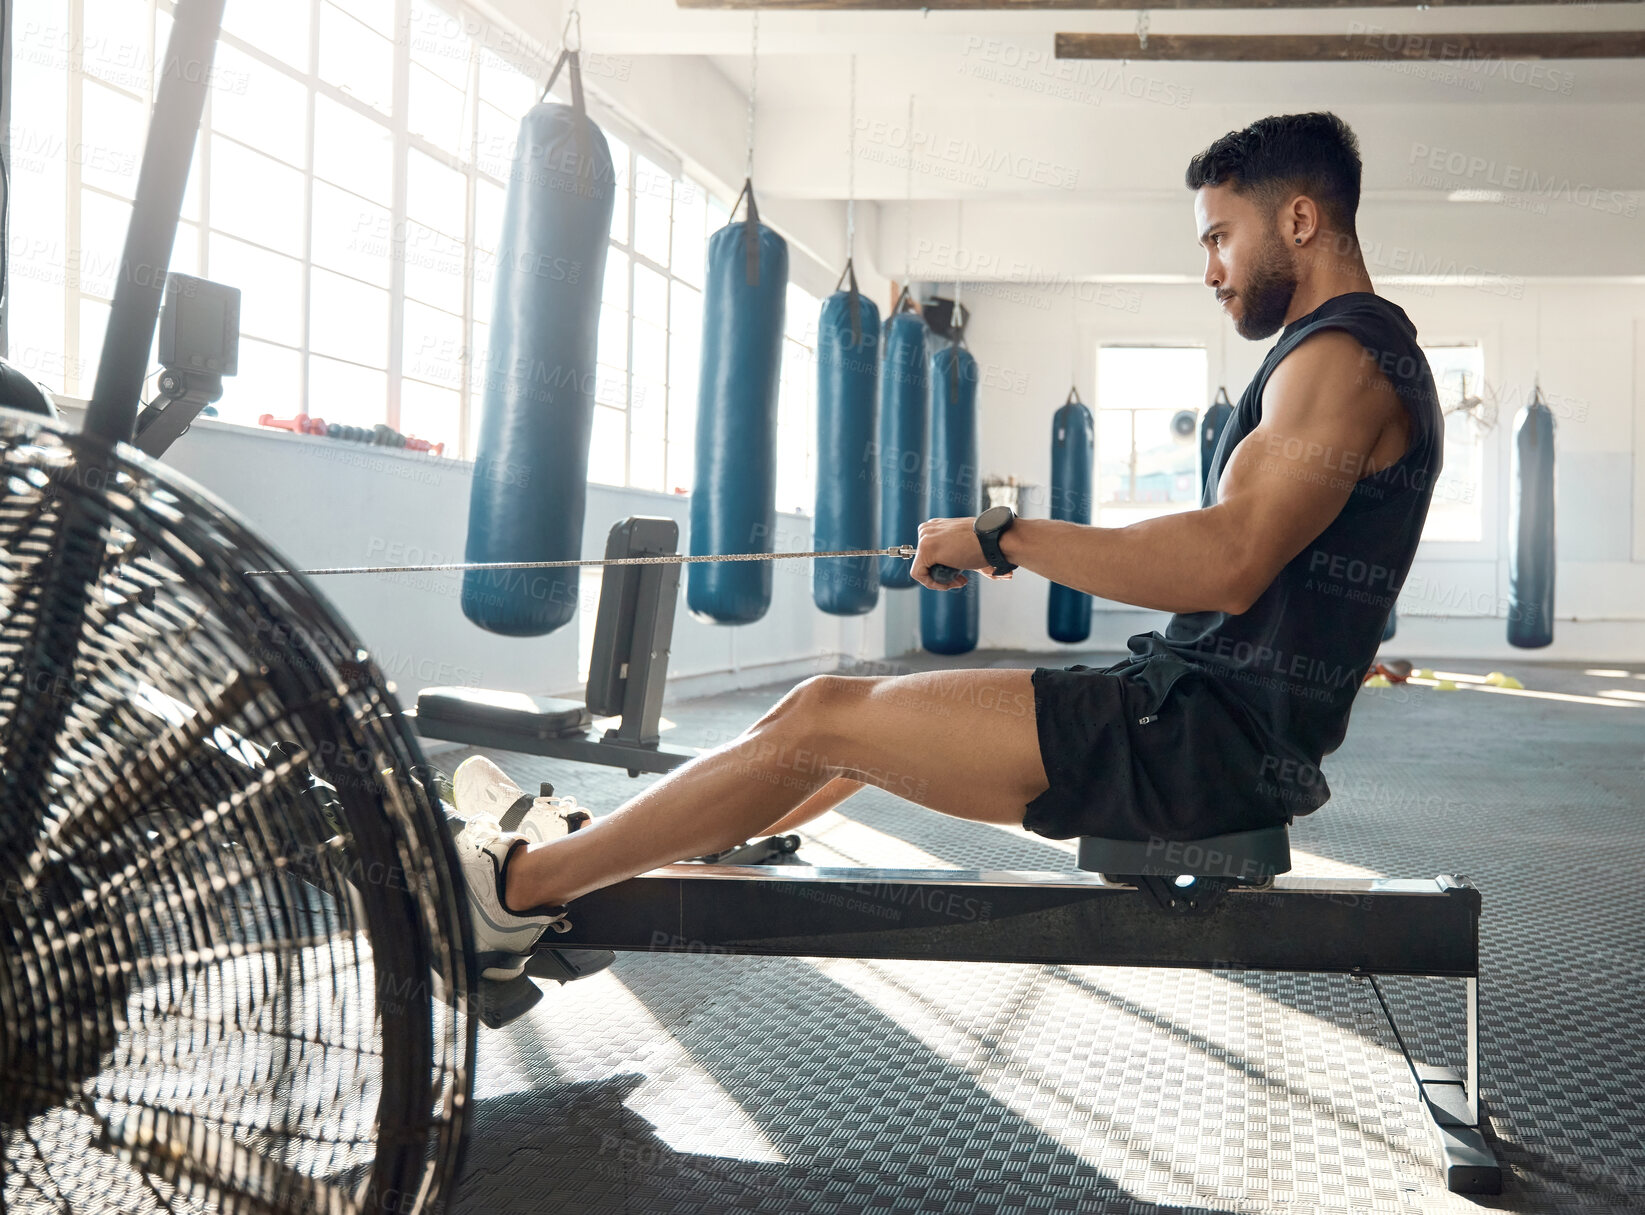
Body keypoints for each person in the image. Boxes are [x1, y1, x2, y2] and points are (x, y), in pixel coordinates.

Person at [452, 110, 1443, 982]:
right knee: (829, 721)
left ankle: (515, 890)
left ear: (1300, 220)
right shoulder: (1338, 356)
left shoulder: (1342, 354)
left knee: (831, 717)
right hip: (1187, 719)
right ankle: (624, 843)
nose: (1210, 269)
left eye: (1221, 237)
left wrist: (1002, 536)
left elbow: (1226, 561)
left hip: (1191, 748)